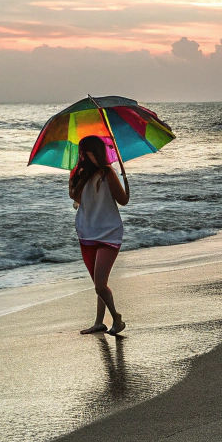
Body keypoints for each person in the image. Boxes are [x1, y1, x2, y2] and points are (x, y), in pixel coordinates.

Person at [68, 134, 130, 335]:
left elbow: (123, 200)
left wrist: (123, 178)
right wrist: (76, 177)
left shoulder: (107, 173)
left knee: (100, 284)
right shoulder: (79, 173)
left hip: (109, 233)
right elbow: (75, 198)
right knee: (98, 283)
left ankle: (117, 319)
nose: (83, 156)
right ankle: (98, 322)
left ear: (96, 152)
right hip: (86, 233)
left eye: (86, 152)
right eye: (81, 153)